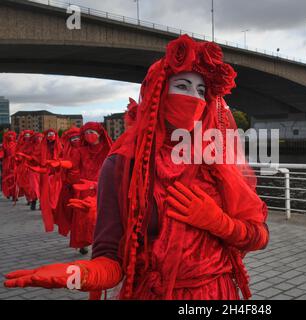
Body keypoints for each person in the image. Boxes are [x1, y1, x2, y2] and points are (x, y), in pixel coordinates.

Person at [4, 35, 269, 300]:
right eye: (183, 86)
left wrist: (219, 223)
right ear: (159, 91)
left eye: (201, 91)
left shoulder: (214, 163)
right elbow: (112, 259)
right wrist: (81, 275)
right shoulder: (121, 165)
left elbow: (259, 236)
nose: (194, 98)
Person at [66, 122, 112, 255]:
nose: (88, 135)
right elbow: (74, 168)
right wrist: (69, 173)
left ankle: (101, 244)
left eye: (91, 132)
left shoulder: (108, 149)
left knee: (101, 218)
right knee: (85, 219)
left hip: (103, 188)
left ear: (99, 134)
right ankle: (84, 242)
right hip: (84, 188)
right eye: (86, 133)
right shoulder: (80, 151)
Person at [53, 127, 81, 237]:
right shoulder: (66, 151)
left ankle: (81, 239)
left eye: (78, 137)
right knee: (70, 211)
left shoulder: (86, 150)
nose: (76, 139)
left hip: (84, 186)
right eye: (73, 138)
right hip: (69, 186)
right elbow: (65, 165)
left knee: (81, 213)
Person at [14, 130, 38, 207]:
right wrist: (17, 158)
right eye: (26, 135)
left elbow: (36, 155)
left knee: (32, 184)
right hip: (23, 167)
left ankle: (33, 199)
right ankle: (29, 198)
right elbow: (17, 155)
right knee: (23, 184)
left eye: (28, 135)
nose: (27, 137)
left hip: (32, 168)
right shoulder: (20, 145)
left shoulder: (34, 145)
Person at [1, 131, 17, 200]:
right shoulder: (4, 145)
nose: (11, 137)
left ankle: (14, 195)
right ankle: (8, 192)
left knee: (14, 179)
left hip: (14, 163)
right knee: (7, 179)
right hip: (7, 163)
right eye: (9, 136)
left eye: (12, 136)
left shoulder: (16, 144)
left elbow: (19, 152)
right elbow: (2, 153)